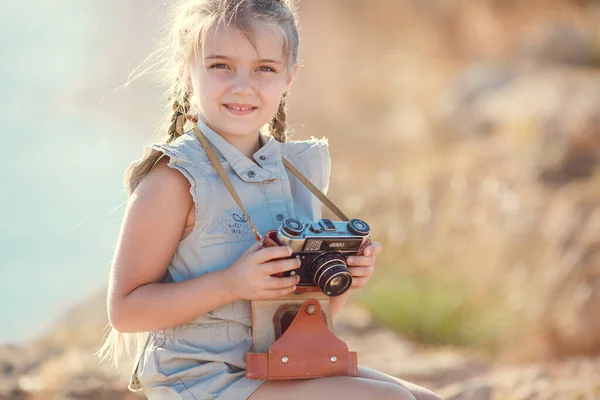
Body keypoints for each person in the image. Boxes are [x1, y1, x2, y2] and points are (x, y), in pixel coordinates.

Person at [99, 1, 442, 399]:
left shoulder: (297, 172)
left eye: (264, 68)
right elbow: (125, 311)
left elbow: (298, 318)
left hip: (280, 364)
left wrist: (339, 279)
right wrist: (232, 283)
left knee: (426, 399)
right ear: (185, 70)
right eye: (220, 66)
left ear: (290, 78)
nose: (243, 85)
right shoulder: (174, 179)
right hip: (203, 379)